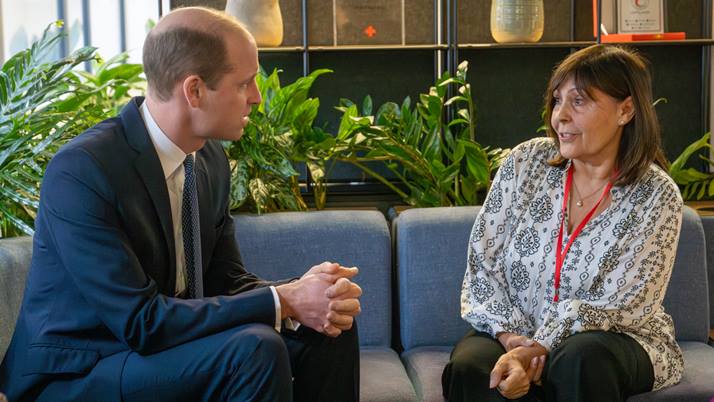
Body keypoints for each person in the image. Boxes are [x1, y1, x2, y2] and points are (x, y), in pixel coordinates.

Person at [0, 7, 362, 402]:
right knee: (255, 350)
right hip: (82, 368)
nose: (256, 98)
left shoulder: (209, 162)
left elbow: (227, 281)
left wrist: (305, 293)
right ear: (194, 91)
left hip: (159, 349)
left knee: (331, 321)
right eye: (244, 84)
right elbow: (140, 322)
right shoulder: (83, 171)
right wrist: (284, 300)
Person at [442, 44, 683, 401]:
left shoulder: (656, 196)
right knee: (471, 367)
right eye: (557, 101)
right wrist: (514, 341)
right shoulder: (526, 164)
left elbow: (625, 303)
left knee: (578, 359)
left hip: (615, 340)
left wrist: (539, 348)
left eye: (579, 101)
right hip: (515, 330)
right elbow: (483, 264)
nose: (560, 116)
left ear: (626, 110)